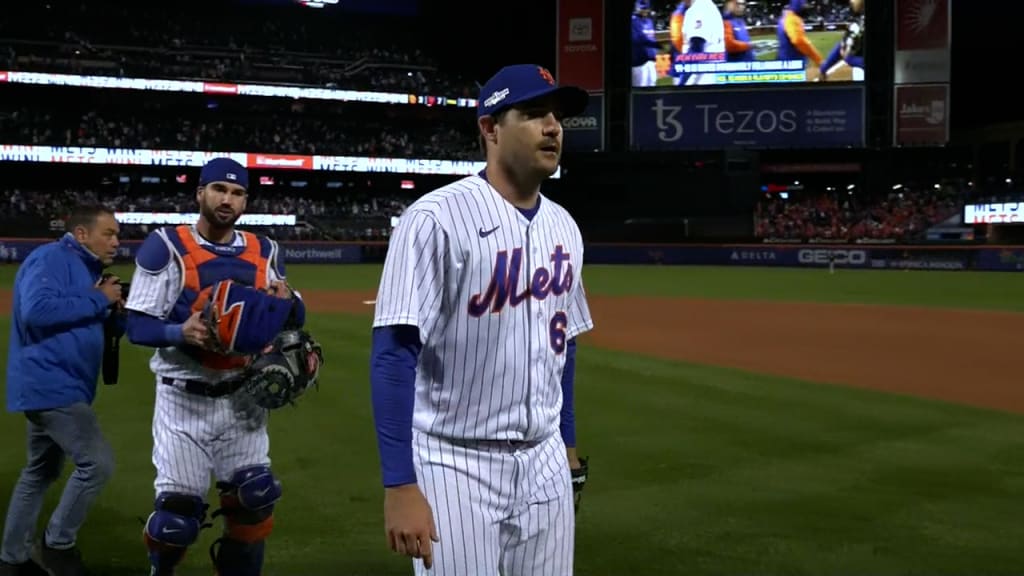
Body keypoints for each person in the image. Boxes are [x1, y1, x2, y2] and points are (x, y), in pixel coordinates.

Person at [370, 63, 595, 575]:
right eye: (534, 113)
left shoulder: (565, 227)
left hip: (544, 463)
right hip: (455, 462)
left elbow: (566, 347)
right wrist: (399, 484)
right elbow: (393, 353)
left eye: (556, 116)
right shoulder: (434, 219)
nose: (553, 126)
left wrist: (568, 445)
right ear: (490, 129)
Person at [123, 157, 306, 576]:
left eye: (237, 192)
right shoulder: (166, 246)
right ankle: (161, 570)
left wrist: (290, 305)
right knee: (177, 519)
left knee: (255, 498)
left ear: (246, 201)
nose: (228, 200)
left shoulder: (266, 250)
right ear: (199, 193)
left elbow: (292, 312)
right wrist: (178, 333)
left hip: (242, 397)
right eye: (219, 190)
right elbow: (136, 326)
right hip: (183, 399)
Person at [1, 205, 123, 576]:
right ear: (82, 234)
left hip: (57, 383)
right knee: (97, 464)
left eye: (117, 234)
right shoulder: (52, 257)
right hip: (51, 384)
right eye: (109, 233)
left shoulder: (87, 269)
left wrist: (111, 313)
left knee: (40, 471)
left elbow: (76, 319)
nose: (116, 242)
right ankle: (57, 545)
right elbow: (35, 311)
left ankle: (11, 559)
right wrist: (99, 299)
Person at [777, 0, 823, 79]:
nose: (805, 7)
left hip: (786, 63)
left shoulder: (785, 18)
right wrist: (817, 59)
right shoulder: (792, 19)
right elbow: (798, 40)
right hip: (792, 66)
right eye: (804, 4)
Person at [631, 0, 661, 87]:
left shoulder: (649, 21)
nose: (644, 10)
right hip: (639, 62)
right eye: (642, 8)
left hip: (651, 61)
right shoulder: (633, 21)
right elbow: (637, 40)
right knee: (640, 87)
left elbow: (652, 37)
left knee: (652, 84)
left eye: (646, 8)